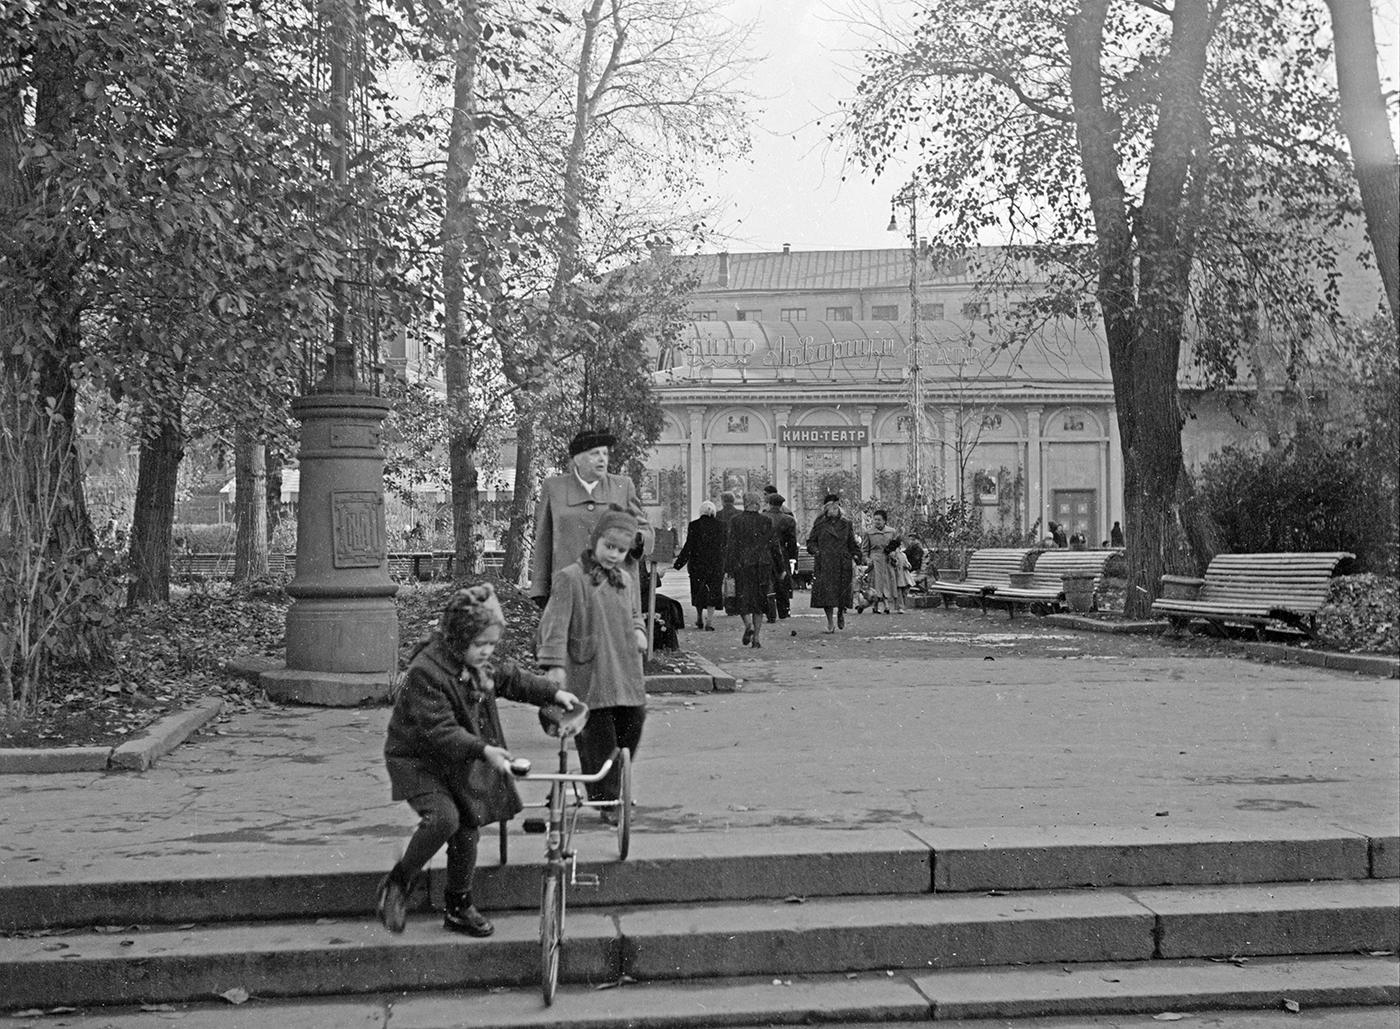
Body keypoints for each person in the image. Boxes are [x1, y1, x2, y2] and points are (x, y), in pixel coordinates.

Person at [377, 584, 580, 938]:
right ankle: (398, 882)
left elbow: (512, 680)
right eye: (480, 644)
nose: (487, 651)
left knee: (468, 826)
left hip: (457, 758)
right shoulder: (427, 672)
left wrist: (553, 692)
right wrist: (484, 750)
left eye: (491, 644)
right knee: (444, 818)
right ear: (458, 639)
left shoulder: (477, 663)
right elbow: (439, 730)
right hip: (418, 760)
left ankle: (458, 906)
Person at [537, 506, 648, 816]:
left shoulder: (625, 579)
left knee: (634, 721)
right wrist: (554, 665)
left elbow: (636, 614)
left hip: (624, 666)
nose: (614, 555)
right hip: (589, 670)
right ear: (595, 540)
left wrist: (639, 632)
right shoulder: (570, 578)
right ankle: (607, 799)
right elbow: (554, 626)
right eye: (609, 547)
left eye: (621, 550)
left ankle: (610, 784)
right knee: (599, 734)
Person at [530, 428, 652, 608]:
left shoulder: (622, 486)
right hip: (568, 592)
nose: (603, 458)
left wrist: (639, 538)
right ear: (577, 458)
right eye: (595, 454)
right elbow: (543, 542)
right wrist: (539, 590)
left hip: (614, 591)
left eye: (605, 453)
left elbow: (645, 530)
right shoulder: (554, 487)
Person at [724, 491, 784, 648]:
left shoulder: (736, 521)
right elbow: (774, 546)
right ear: (758, 504)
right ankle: (756, 638)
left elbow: (732, 545)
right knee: (759, 600)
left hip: (742, 565)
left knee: (742, 598)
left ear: (745, 503)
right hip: (762, 565)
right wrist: (781, 567)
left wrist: (728, 567)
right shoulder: (766, 520)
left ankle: (748, 625)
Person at [806, 493, 861, 633]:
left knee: (842, 593)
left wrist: (856, 554)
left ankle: (841, 612)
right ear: (825, 508)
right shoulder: (819, 523)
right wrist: (816, 551)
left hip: (842, 562)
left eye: (836, 506)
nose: (834, 508)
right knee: (826, 596)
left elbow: (851, 543)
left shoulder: (846, 524)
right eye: (831, 506)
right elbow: (811, 541)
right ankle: (830, 622)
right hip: (825, 563)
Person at [673, 501, 726, 630]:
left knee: (698, 590)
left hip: (697, 565)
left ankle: (699, 618)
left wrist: (678, 564)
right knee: (713, 591)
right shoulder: (721, 525)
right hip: (715, 565)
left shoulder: (694, 525)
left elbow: (688, 546)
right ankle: (710, 621)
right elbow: (725, 547)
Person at [762, 491, 799, 634]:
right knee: (782, 582)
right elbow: (792, 541)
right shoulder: (788, 520)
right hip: (782, 553)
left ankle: (769, 610)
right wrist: (793, 558)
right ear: (781, 504)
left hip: (765, 553)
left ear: (770, 503)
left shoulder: (763, 517)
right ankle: (783, 611)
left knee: (768, 582)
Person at [860, 509, 901, 614]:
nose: (877, 521)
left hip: (887, 560)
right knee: (875, 583)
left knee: (887, 583)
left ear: (884, 521)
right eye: (875, 519)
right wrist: (867, 559)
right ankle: (875, 606)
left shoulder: (891, 531)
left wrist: (894, 554)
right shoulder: (869, 533)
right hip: (875, 560)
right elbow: (864, 550)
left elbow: (896, 547)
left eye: (879, 519)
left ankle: (887, 606)